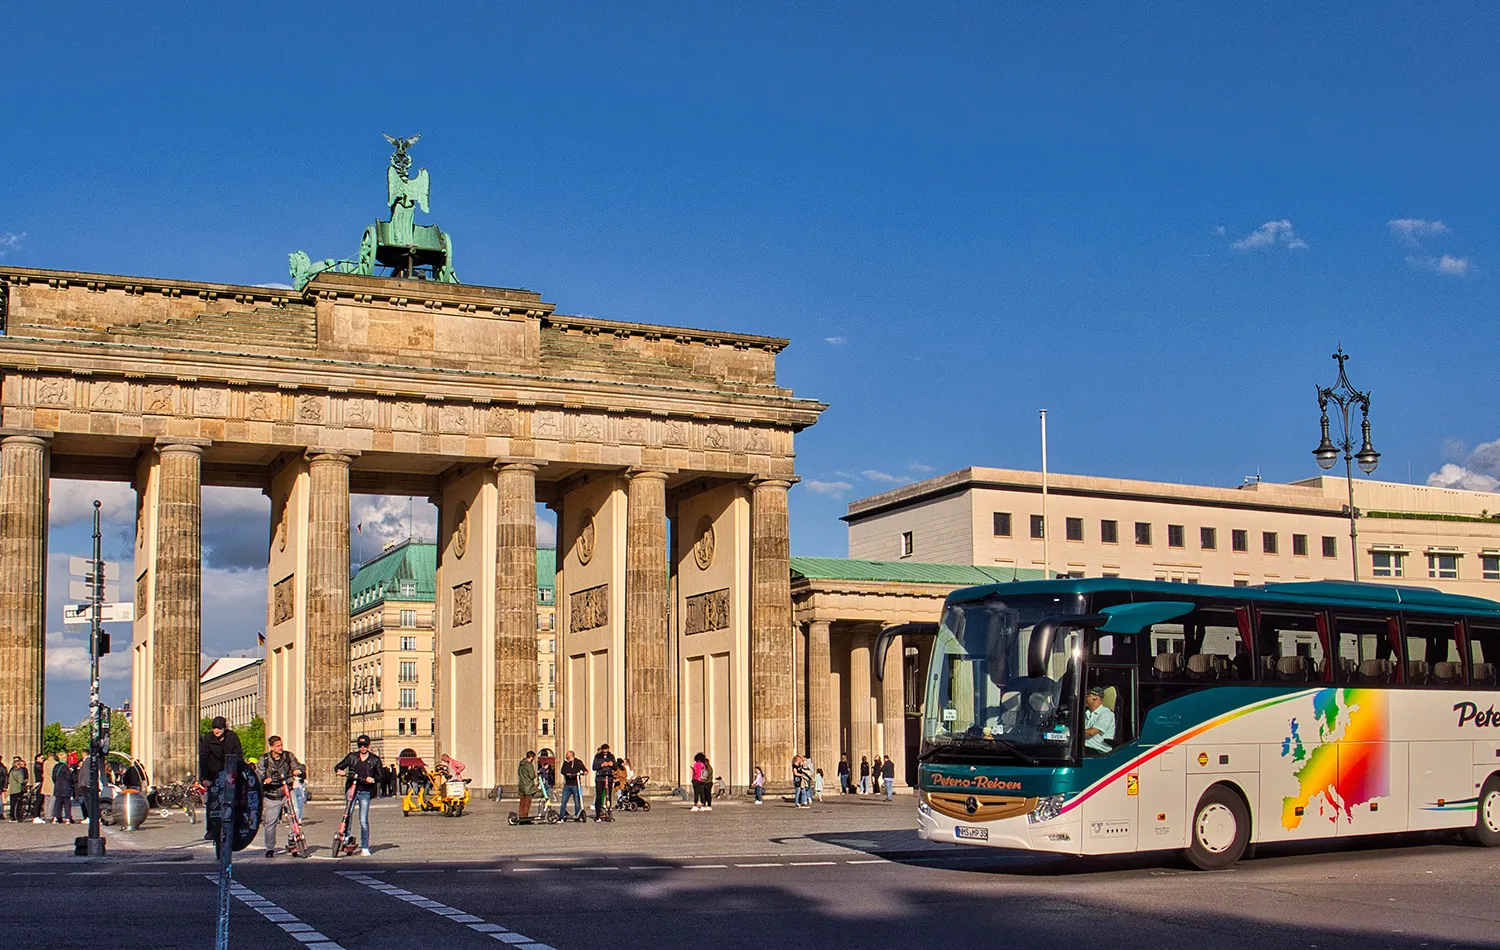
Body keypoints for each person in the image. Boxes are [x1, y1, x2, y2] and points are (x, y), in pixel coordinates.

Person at [334, 735, 383, 856]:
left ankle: (365, 846)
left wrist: (373, 779)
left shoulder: (375, 760)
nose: (362, 748)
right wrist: (339, 771)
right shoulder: (352, 757)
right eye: (360, 745)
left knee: (363, 820)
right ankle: (346, 837)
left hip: (365, 791)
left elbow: (381, 775)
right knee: (348, 814)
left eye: (365, 745)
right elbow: (339, 766)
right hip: (352, 788)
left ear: (369, 745)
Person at [258, 735, 305, 857]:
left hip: (287, 791)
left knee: (294, 815)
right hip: (272, 794)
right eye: (278, 746)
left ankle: (292, 839)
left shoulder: (288, 756)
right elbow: (258, 775)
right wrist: (264, 779)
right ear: (272, 747)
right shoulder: (264, 760)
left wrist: (298, 771)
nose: (280, 748)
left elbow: (298, 766)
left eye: (281, 745)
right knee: (270, 823)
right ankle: (269, 848)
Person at [198, 716, 243, 785]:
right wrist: (204, 778)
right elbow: (203, 758)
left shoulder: (232, 737)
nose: (216, 730)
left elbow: (238, 755)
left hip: (230, 774)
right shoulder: (208, 738)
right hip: (212, 774)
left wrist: (237, 773)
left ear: (224, 728)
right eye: (214, 728)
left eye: (219, 728)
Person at [1083, 686, 1116, 756]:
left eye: (1087, 695)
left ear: (1096, 698)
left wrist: (1073, 733)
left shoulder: (1106, 714)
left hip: (1098, 750)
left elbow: (1091, 733)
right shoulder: (1086, 713)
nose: (1084, 698)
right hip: (1084, 748)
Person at [591, 744, 616, 820]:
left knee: (608, 796)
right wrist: (601, 765)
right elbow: (594, 767)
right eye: (604, 751)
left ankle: (608, 814)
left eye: (606, 751)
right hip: (600, 778)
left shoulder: (611, 756)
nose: (605, 753)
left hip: (609, 777)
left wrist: (612, 764)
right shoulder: (597, 756)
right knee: (599, 796)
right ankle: (598, 815)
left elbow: (615, 767)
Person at [558, 750, 586, 820]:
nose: (566, 755)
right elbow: (562, 771)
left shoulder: (578, 762)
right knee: (564, 801)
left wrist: (585, 772)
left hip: (575, 784)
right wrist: (566, 774)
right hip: (567, 785)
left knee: (577, 801)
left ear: (571, 755)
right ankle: (561, 816)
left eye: (567, 754)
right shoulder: (565, 762)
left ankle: (578, 815)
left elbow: (584, 769)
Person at [50, 753, 76, 823]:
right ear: (65, 758)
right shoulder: (65, 767)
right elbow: (69, 778)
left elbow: (53, 777)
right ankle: (68, 817)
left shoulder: (56, 766)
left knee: (58, 803)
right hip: (66, 787)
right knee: (67, 803)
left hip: (58, 787)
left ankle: (56, 817)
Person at [516, 751, 538, 819]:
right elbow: (532, 776)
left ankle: (521, 815)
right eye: (533, 758)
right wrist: (535, 775)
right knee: (527, 802)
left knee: (522, 802)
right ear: (531, 757)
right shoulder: (529, 765)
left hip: (521, 785)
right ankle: (525, 817)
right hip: (528, 786)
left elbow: (519, 773)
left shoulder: (521, 763)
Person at [7, 758, 27, 822]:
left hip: (12, 789)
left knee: (12, 804)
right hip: (18, 790)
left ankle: (12, 817)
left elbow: (9, 780)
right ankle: (17, 817)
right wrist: (25, 781)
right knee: (18, 804)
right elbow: (21, 781)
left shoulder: (11, 772)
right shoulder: (18, 772)